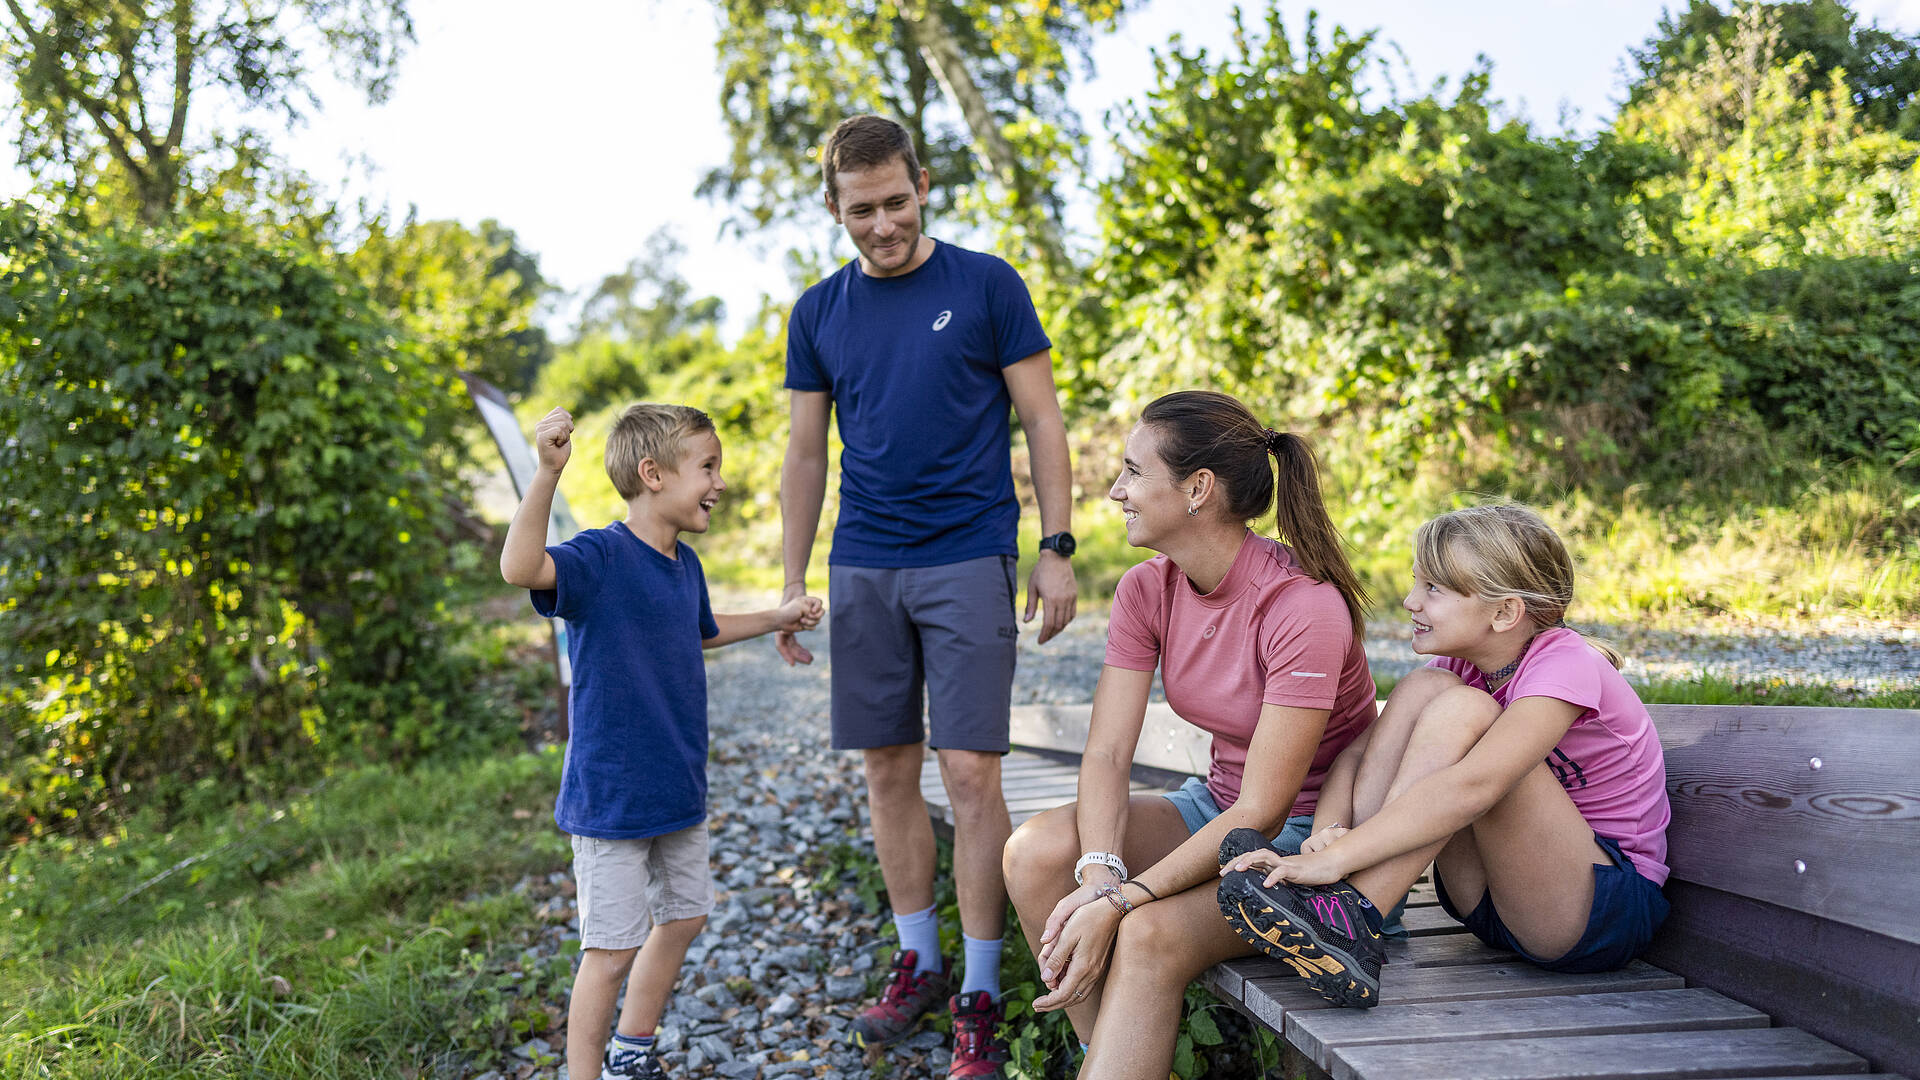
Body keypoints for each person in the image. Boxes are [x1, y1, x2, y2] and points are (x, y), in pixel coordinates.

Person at [775, 113, 1079, 1078]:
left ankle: (983, 991)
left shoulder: (987, 285)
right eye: (860, 210)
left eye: (896, 202)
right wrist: (791, 576)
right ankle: (921, 959)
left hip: (967, 556)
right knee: (885, 770)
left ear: (924, 187)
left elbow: (1041, 419)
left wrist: (1057, 547)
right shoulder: (818, 312)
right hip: (863, 562)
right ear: (834, 208)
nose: (881, 224)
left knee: (973, 774)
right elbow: (804, 453)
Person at [1001, 390, 1383, 1079]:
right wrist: (1097, 872)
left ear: (1198, 489)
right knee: (1033, 854)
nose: (1116, 490)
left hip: (1309, 844)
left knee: (1145, 932)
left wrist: (1123, 900)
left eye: (1132, 473)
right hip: (1216, 807)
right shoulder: (1147, 588)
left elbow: (1263, 812)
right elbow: (1109, 753)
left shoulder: (1302, 606)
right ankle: (1109, 1054)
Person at [1219, 503, 1671, 1011]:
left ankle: (1356, 913)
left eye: (1433, 589)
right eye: (1417, 582)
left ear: (1505, 612)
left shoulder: (1568, 665)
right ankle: (1344, 904)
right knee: (1427, 687)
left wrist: (1339, 856)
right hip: (1494, 901)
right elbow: (1355, 758)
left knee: (1464, 709)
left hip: (1595, 910)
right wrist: (1322, 846)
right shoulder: (1456, 667)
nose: (1411, 601)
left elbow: (1472, 788)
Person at [501, 402, 824, 1080]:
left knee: (684, 917)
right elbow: (520, 567)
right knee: (611, 949)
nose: (720, 483)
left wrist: (776, 617)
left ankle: (632, 1050)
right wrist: (547, 474)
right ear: (652, 474)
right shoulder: (598, 557)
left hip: (677, 786)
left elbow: (700, 631)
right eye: (707, 468)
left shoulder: (687, 565)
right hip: (612, 796)